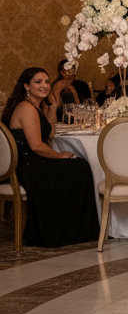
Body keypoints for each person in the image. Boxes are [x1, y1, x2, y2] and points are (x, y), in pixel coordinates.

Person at [1, 68, 99, 248]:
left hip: (30, 161)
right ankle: (65, 230)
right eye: (38, 82)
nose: (45, 86)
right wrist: (60, 156)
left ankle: (69, 228)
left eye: (46, 81)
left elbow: (48, 126)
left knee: (78, 166)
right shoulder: (26, 108)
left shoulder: (34, 105)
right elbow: (37, 146)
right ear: (26, 86)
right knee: (80, 167)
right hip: (27, 166)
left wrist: (53, 107)